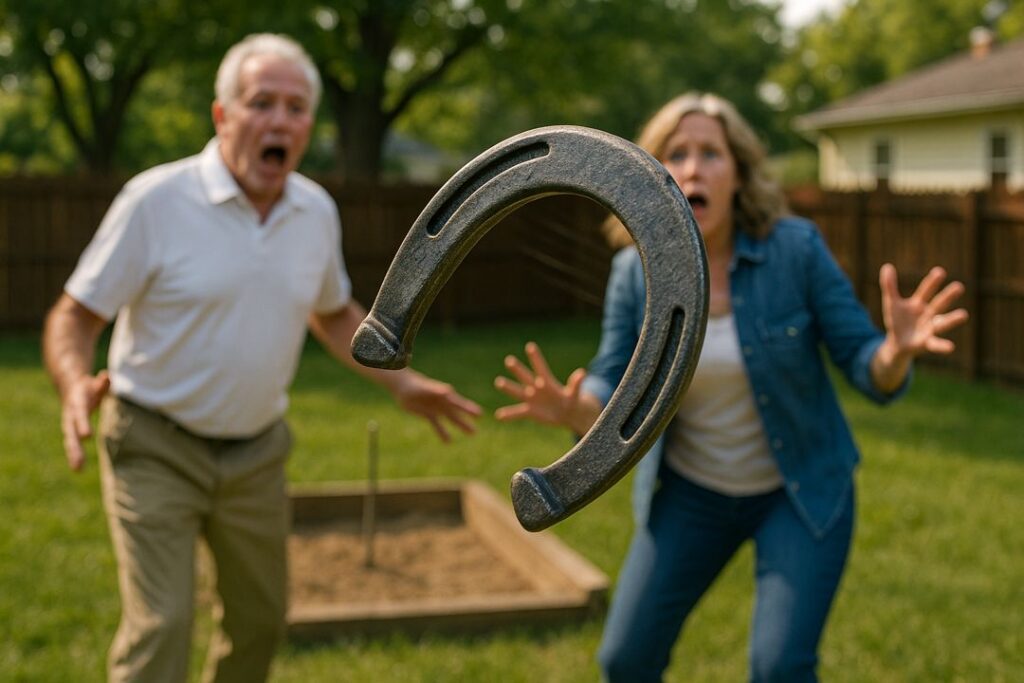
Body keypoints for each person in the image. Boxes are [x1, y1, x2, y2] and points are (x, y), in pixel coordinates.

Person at [42, 33, 481, 683]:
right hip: (154, 442)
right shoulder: (154, 201)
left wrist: (402, 383)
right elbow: (74, 315)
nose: (280, 120)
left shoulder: (314, 210)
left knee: (259, 621)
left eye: (296, 107)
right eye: (261, 103)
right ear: (223, 115)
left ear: (309, 125)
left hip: (255, 453)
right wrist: (75, 380)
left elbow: (331, 312)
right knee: (162, 626)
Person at [493, 92, 968, 682]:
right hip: (692, 494)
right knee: (626, 659)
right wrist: (575, 408)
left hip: (796, 495)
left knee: (779, 668)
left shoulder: (796, 250)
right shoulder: (633, 272)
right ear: (652, 176)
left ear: (739, 173)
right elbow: (610, 380)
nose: (693, 168)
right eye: (677, 153)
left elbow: (868, 368)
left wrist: (895, 350)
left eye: (711, 153)